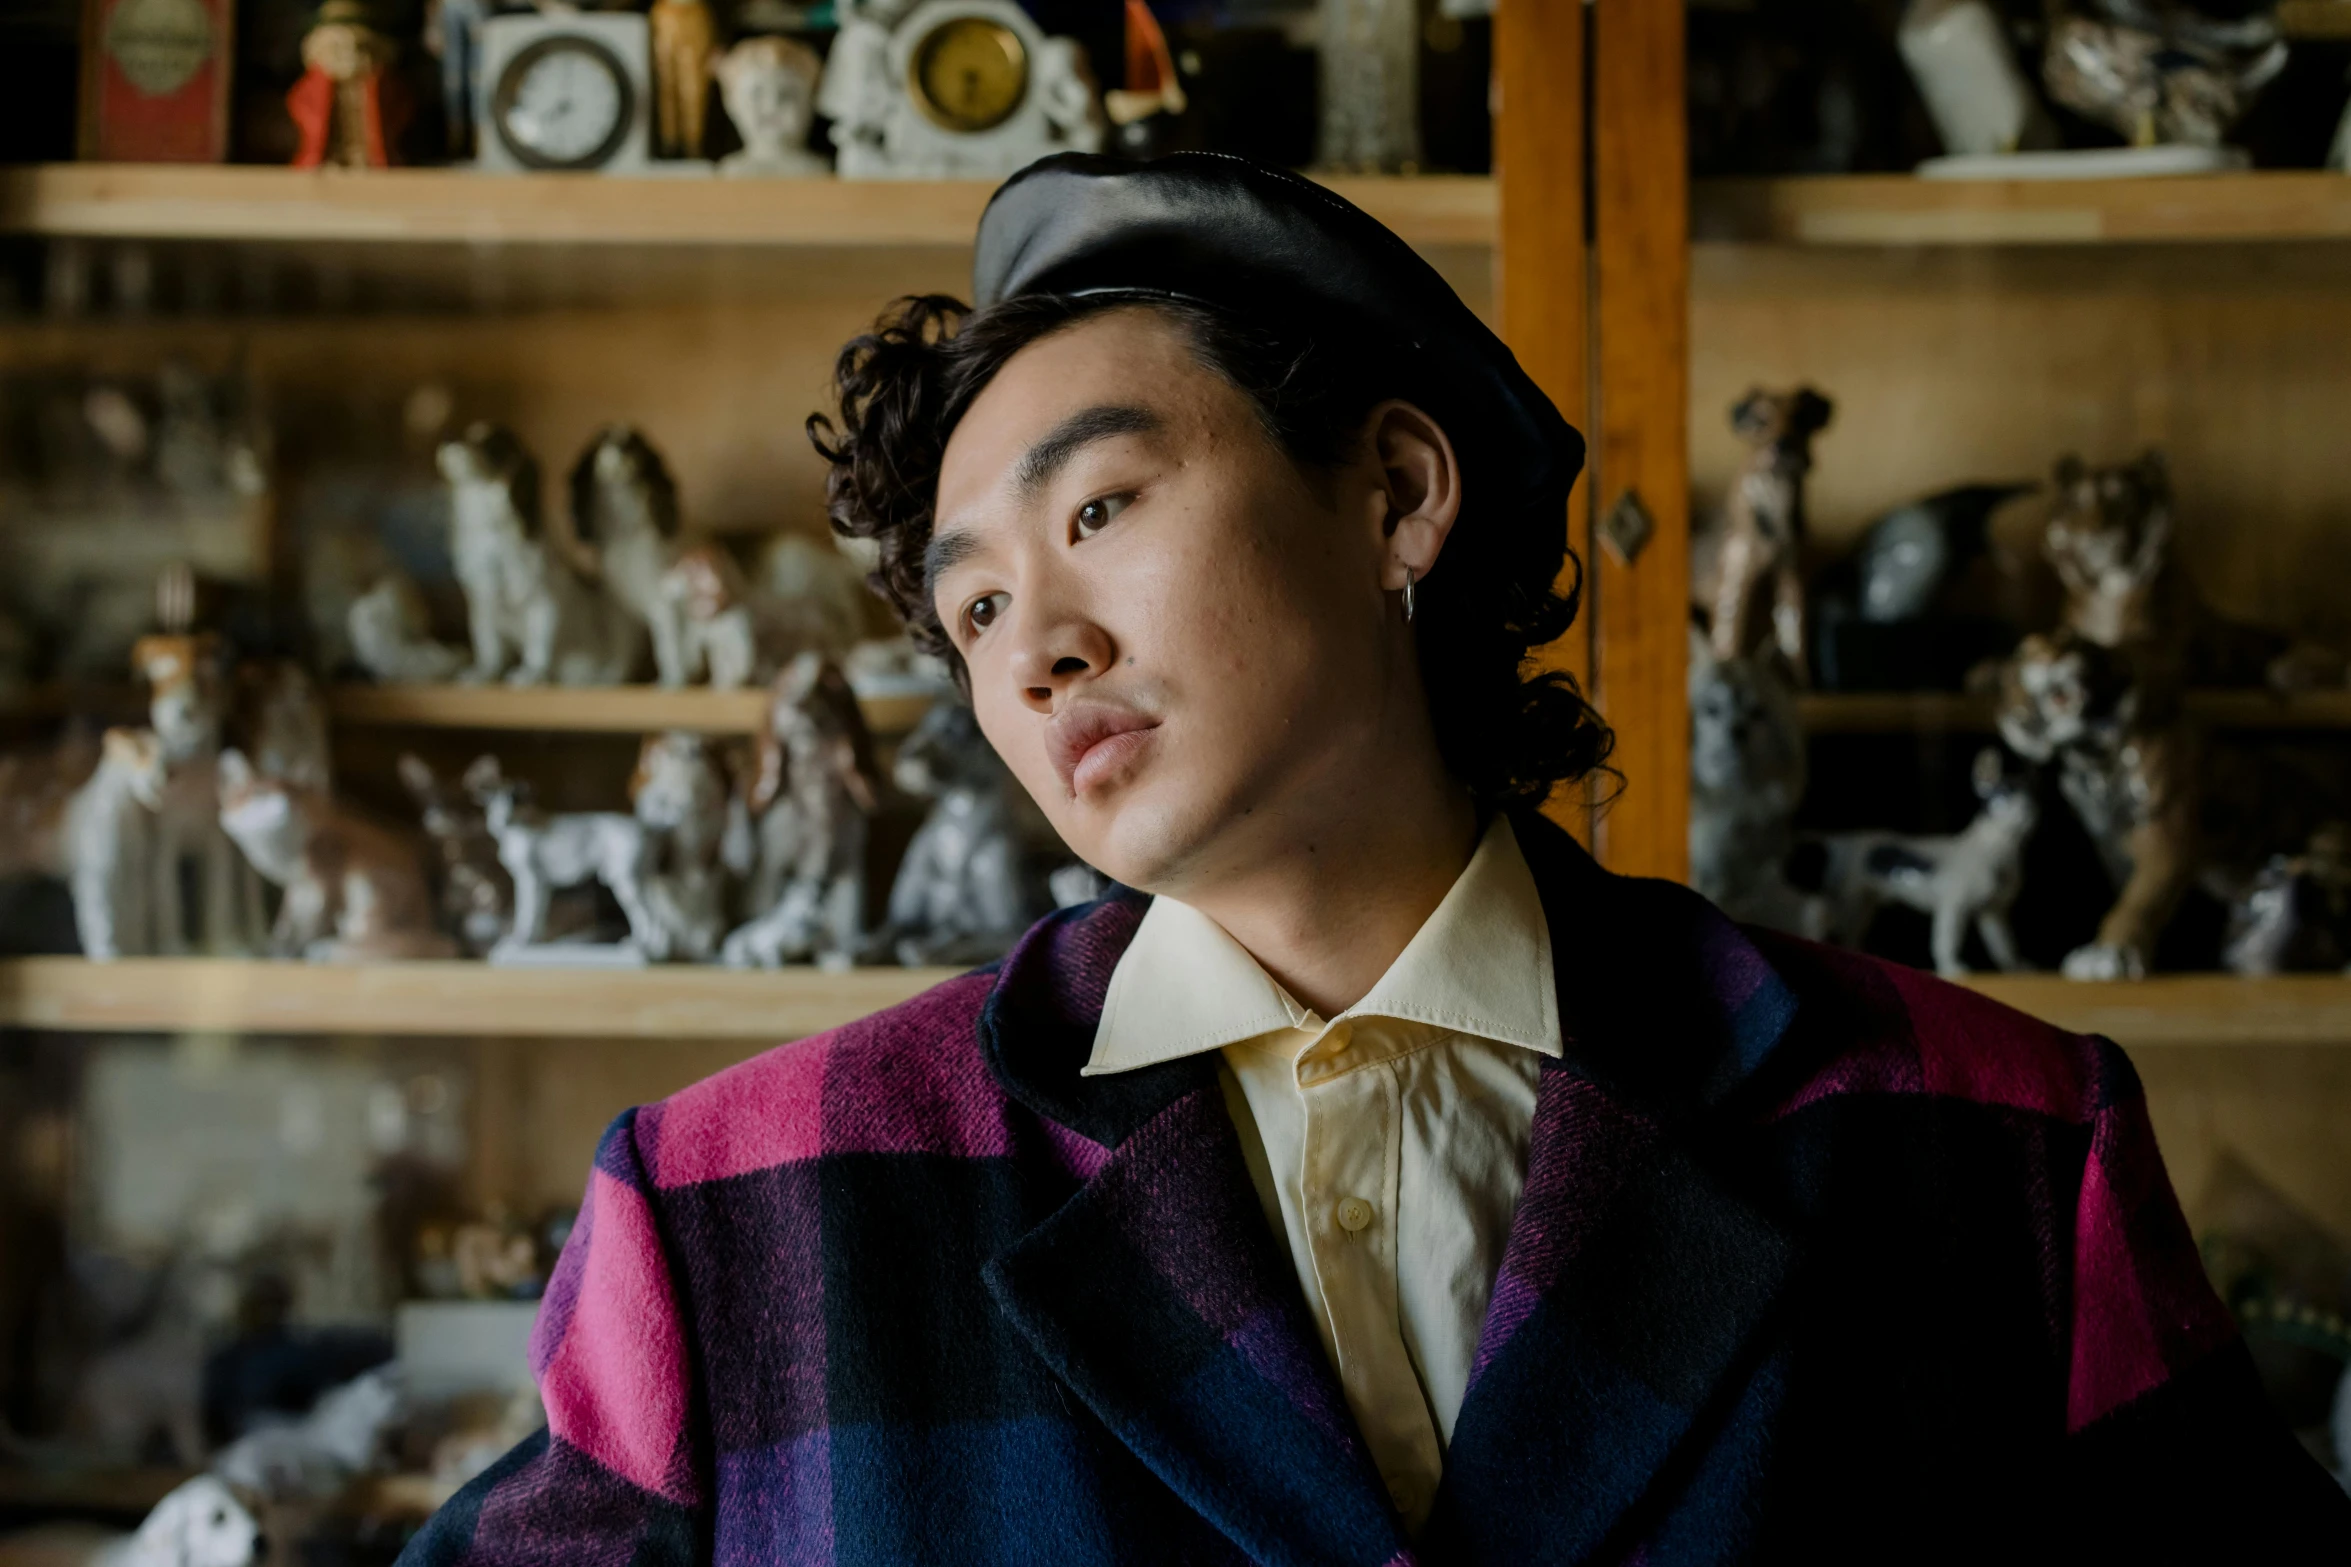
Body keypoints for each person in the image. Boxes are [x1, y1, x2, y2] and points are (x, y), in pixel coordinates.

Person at [398, 154, 2346, 1565]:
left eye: (1102, 506)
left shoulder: (1979, 1140)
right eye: (971, 608)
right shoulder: (751, 1204)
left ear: (1395, 496)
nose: (1035, 645)